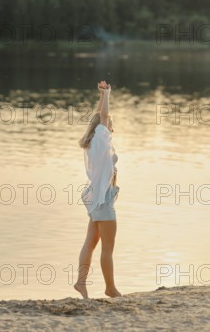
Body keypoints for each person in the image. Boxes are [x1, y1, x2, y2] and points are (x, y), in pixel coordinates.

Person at [74, 80, 121, 299]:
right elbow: (102, 116)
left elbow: (99, 117)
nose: (111, 127)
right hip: (103, 202)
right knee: (108, 249)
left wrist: (101, 95)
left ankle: (81, 283)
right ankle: (110, 288)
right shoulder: (102, 140)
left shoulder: (94, 144)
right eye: (109, 124)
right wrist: (108, 94)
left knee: (90, 243)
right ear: (102, 128)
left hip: (97, 200)